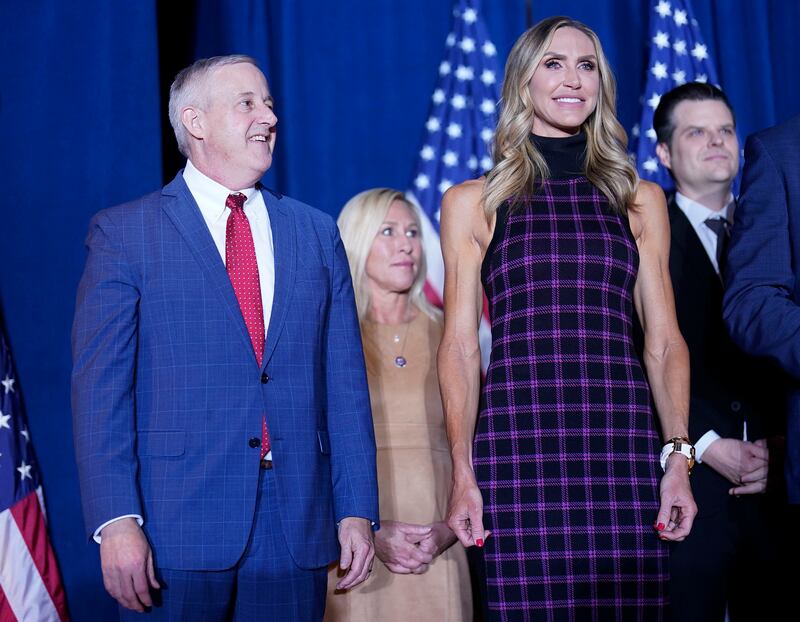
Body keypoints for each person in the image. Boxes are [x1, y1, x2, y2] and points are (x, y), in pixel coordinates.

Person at [71, 55, 378, 620]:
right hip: (171, 530)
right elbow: (100, 396)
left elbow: (345, 387)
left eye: (269, 103)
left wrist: (356, 507)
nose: (269, 116)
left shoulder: (315, 232)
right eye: (248, 103)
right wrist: (115, 522)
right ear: (196, 122)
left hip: (296, 525)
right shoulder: (125, 233)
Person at [438, 17, 697, 620]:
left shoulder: (638, 197)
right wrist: (462, 471)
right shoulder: (474, 201)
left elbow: (663, 344)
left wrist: (678, 459)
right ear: (521, 81)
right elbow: (458, 349)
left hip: (622, 449)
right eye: (553, 63)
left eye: (586, 66)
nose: (572, 79)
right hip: (516, 451)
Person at [652, 82, 784, 621]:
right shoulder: (640, 233)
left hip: (779, 483)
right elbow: (642, 352)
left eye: (726, 130)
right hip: (690, 487)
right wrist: (704, 446)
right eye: (697, 132)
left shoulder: (779, 225)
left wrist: (780, 445)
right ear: (664, 152)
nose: (717, 142)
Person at [324, 189, 472, 621]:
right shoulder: (328, 333)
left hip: (440, 547)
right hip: (355, 548)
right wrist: (368, 529)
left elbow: (479, 442)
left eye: (411, 232)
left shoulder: (455, 335)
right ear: (356, 240)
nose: (406, 243)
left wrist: (449, 528)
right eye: (387, 231)